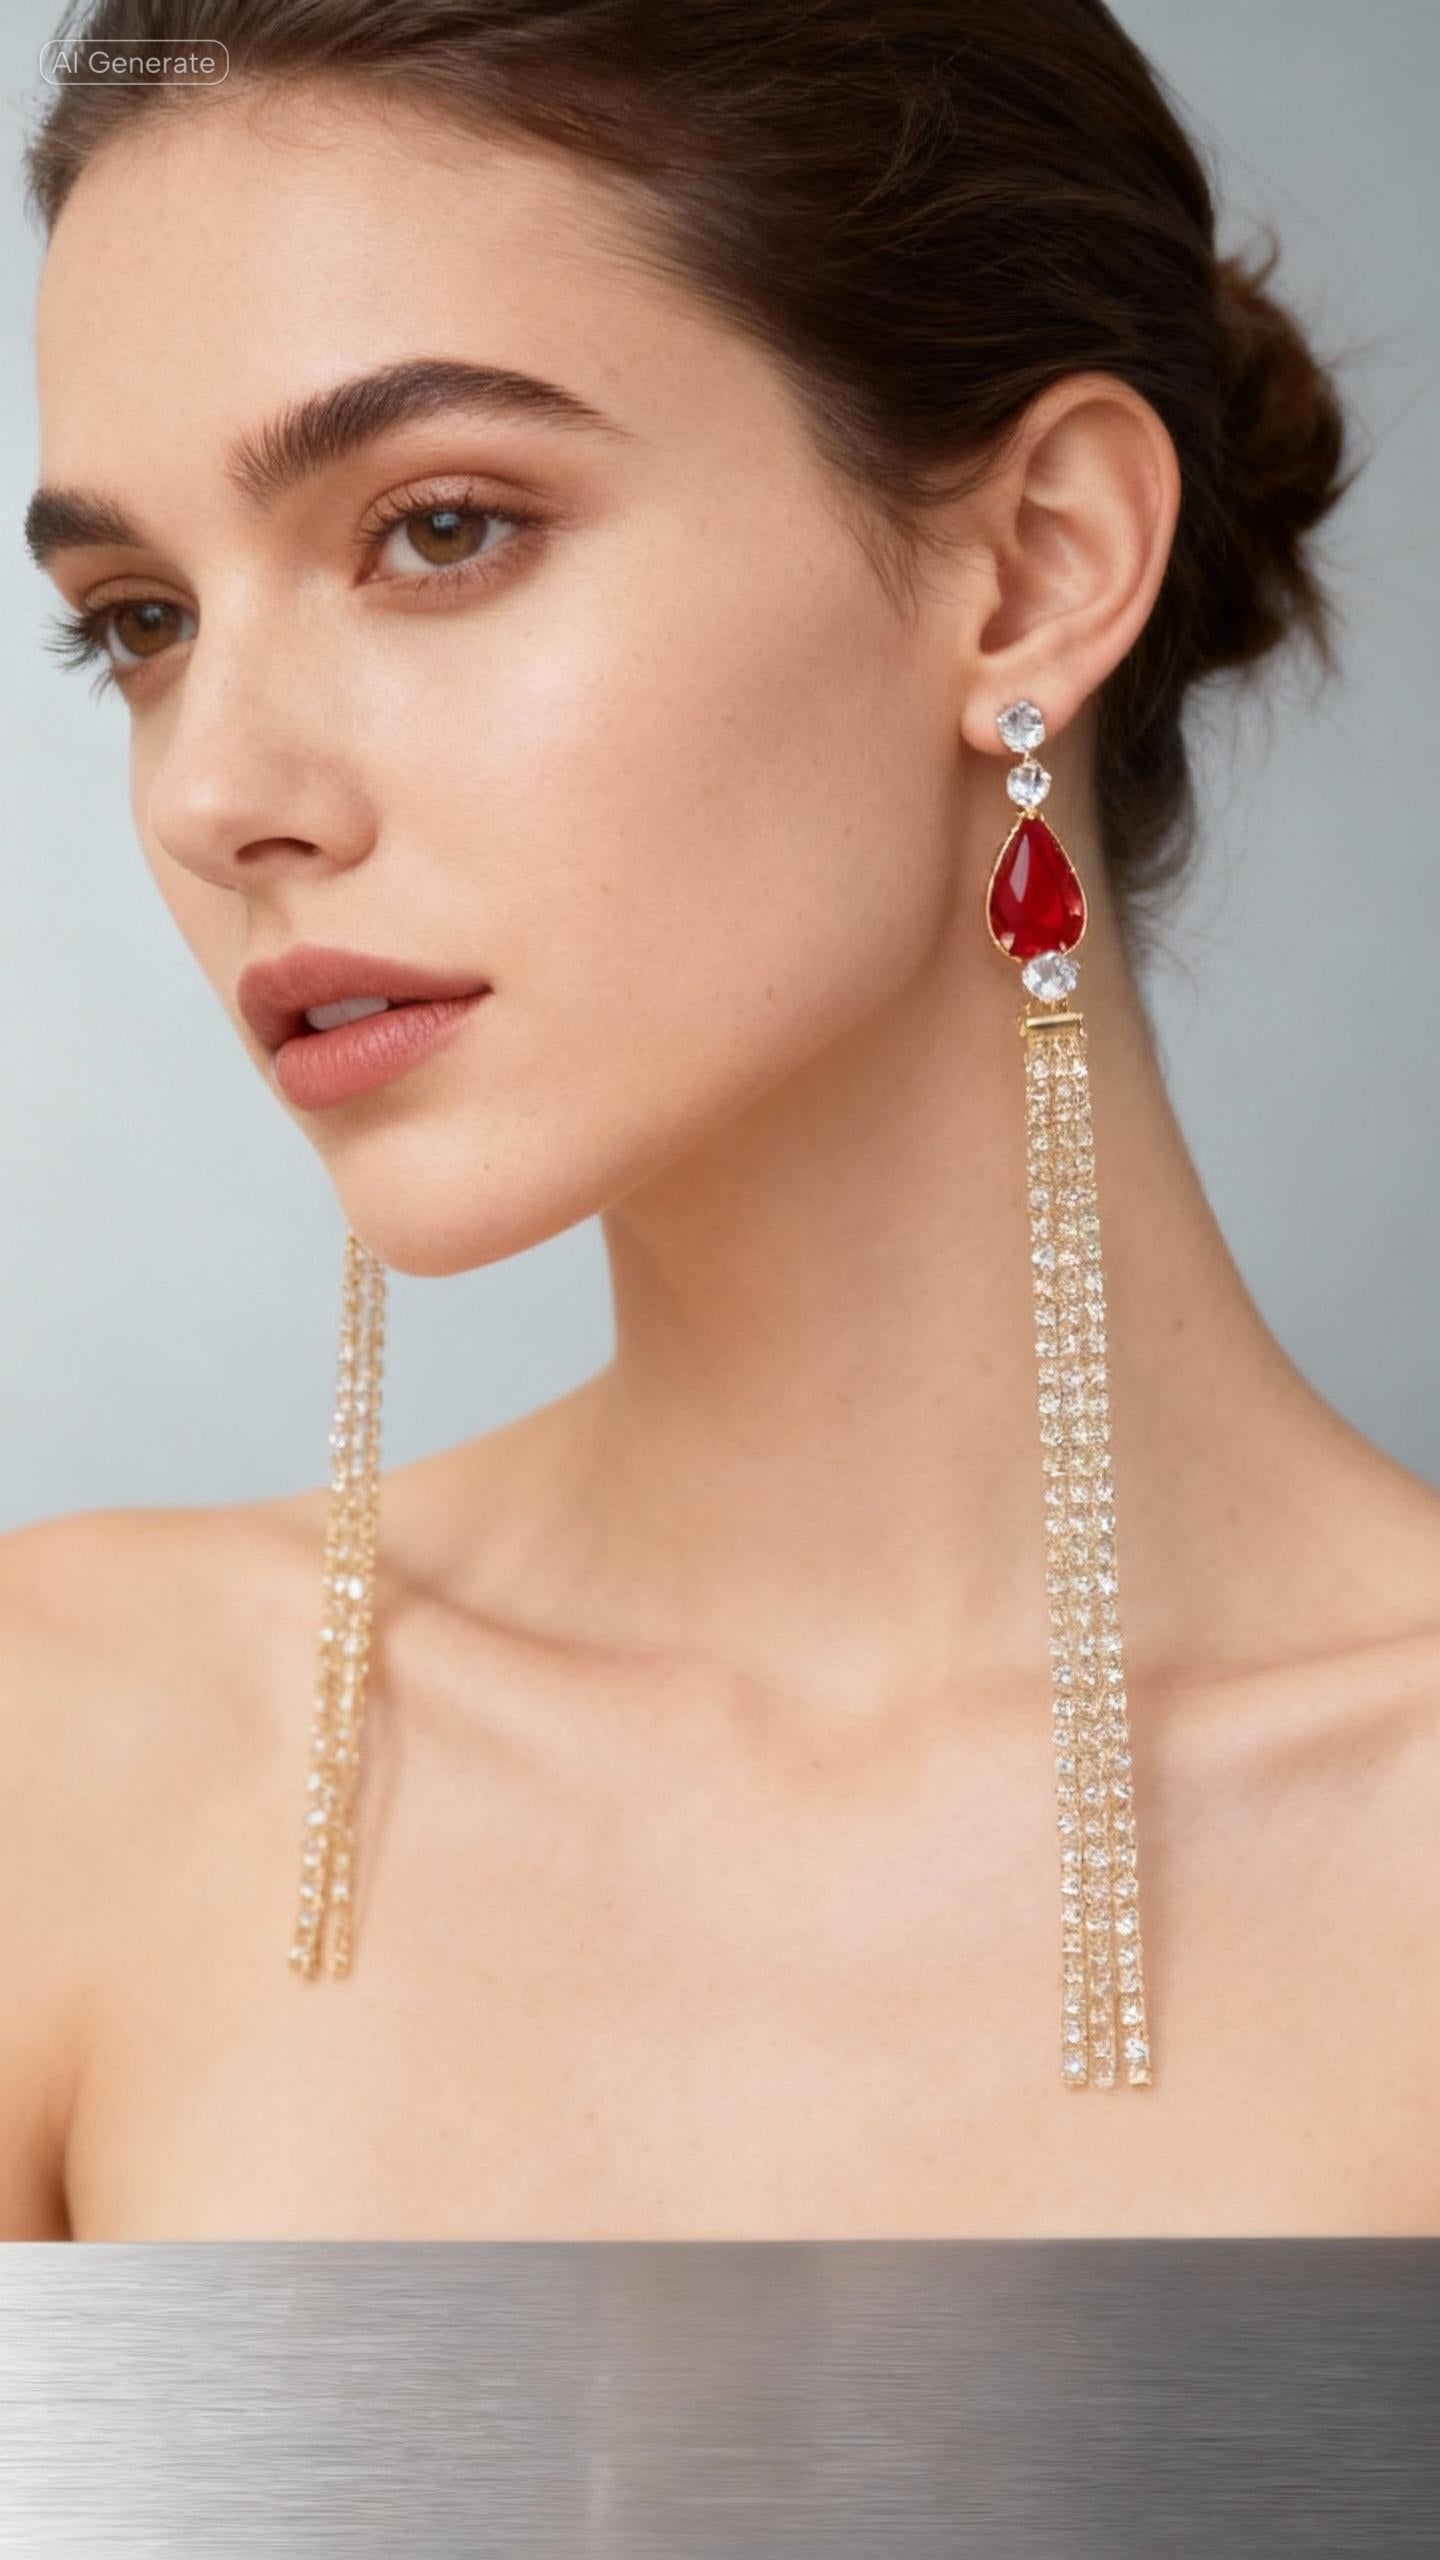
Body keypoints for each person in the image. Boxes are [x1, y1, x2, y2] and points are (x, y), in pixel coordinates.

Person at [5, 0, 1437, 2242]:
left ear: (1041, 560)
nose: (217, 791)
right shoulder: (69, 1759)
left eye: (441, 527)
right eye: (142, 621)